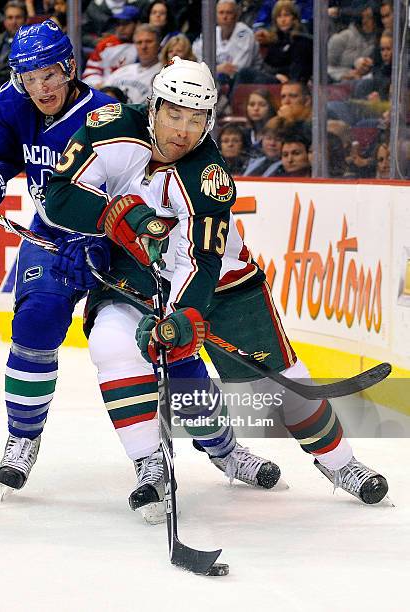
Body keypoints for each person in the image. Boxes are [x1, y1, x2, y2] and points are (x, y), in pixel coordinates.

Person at [43, 57, 389, 511]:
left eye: (196, 119)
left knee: (281, 384)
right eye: (174, 115)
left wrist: (183, 315)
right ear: (153, 107)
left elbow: (201, 260)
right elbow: (59, 196)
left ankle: (340, 462)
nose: (184, 130)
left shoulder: (208, 178)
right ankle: (149, 461)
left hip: (221, 282)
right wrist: (112, 214)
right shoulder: (107, 128)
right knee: (111, 343)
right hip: (136, 273)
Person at [0, 20, 114, 493]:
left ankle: (217, 445)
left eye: (49, 75)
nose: (39, 88)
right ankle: (23, 437)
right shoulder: (12, 103)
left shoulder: (107, 114)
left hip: (113, 244)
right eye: (28, 78)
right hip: (51, 238)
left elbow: (133, 189)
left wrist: (103, 238)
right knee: (34, 323)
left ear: (70, 68)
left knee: (144, 345)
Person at [192, 0, 262, 81]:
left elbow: (238, 69)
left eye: (229, 13)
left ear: (236, 15)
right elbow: (197, 58)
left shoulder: (245, 33)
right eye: (221, 13)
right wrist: (217, 69)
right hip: (215, 78)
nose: (224, 17)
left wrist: (211, 70)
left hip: (247, 81)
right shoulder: (211, 33)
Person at [81, 5, 139, 89]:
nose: (120, 28)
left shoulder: (143, 44)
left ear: (137, 24)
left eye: (125, 23)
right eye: (118, 24)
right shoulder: (105, 44)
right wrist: (99, 85)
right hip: (105, 90)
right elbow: (90, 72)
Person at [103, 24, 162, 104]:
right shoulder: (122, 71)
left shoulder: (164, 74)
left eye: (148, 42)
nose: (143, 46)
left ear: (159, 45)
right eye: (139, 42)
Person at [0, 0, 27, 79]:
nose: (14, 22)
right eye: (10, 17)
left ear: (25, 19)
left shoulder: (33, 42)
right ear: (4, 20)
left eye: (18, 17)